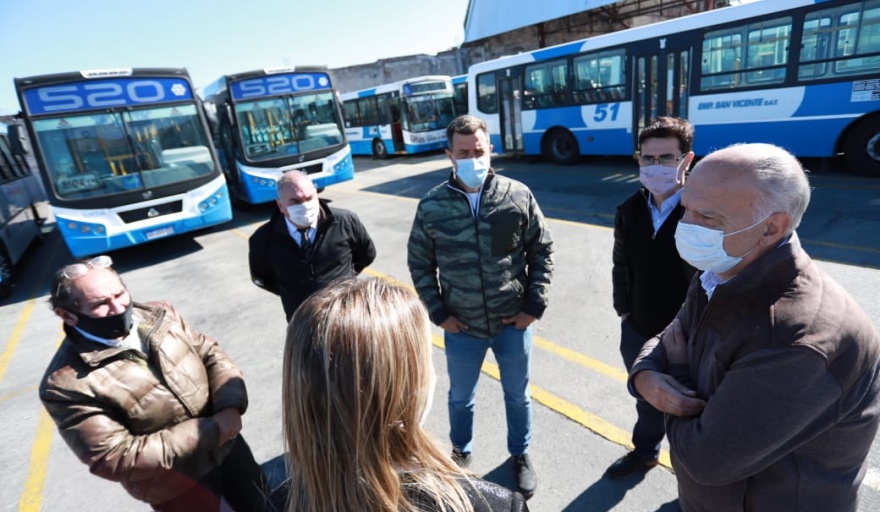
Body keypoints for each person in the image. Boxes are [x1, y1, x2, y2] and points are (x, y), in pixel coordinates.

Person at [630, 143, 880, 511]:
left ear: (771, 228)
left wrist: (676, 373)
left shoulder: (799, 340)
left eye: (708, 217)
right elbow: (673, 334)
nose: (686, 226)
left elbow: (706, 460)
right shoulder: (723, 269)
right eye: (686, 209)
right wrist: (645, 375)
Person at [275, 277, 530, 512]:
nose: (434, 375)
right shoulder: (493, 506)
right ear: (405, 389)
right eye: (426, 360)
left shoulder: (278, 502)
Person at [39, 256, 269, 512]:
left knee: (261, 503)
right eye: (101, 304)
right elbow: (114, 457)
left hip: (229, 448)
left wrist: (230, 405)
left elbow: (210, 353)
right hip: (176, 485)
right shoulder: (65, 384)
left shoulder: (160, 314)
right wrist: (212, 430)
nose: (118, 307)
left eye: (120, 294)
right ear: (66, 315)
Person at [407, 115, 554, 498]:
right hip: (462, 326)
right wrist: (439, 313)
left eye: (478, 151)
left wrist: (534, 305)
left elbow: (542, 250)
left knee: (518, 396)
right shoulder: (432, 205)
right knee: (460, 397)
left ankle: (520, 453)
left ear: (490, 149)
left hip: (513, 324)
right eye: (463, 153)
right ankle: (460, 452)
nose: (472, 158)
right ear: (449, 155)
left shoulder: (516, 194)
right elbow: (420, 263)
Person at [607, 117, 697, 478]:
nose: (656, 166)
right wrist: (624, 312)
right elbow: (621, 264)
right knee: (647, 400)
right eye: (648, 158)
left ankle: (691, 478)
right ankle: (644, 453)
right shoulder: (629, 210)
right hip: (640, 330)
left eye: (666, 158)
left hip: (692, 337)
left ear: (686, 160)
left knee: (690, 409)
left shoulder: (704, 211)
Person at [249, 170, 376, 322]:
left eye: (309, 198)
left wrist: (344, 280)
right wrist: (294, 292)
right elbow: (262, 278)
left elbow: (366, 255)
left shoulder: (345, 221)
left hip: (347, 316)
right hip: (303, 322)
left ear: (316, 194)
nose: (305, 205)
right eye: (295, 201)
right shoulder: (262, 239)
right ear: (280, 205)